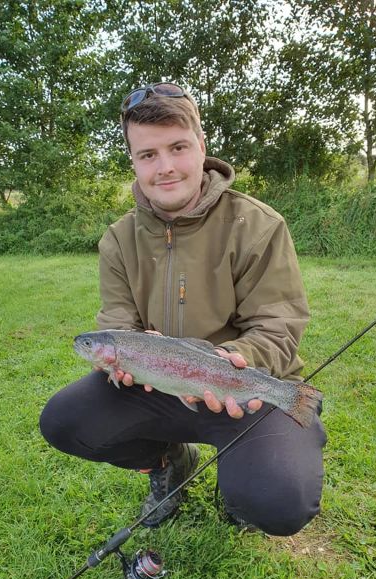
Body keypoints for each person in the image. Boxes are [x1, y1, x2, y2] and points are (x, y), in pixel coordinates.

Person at [40, 82, 326, 535]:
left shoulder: (258, 224)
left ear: (201, 146)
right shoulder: (118, 238)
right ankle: (170, 461)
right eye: (147, 154)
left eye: (178, 147)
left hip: (242, 383)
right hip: (158, 382)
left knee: (278, 499)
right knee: (64, 421)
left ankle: (244, 489)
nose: (165, 167)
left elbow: (278, 325)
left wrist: (233, 359)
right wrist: (123, 358)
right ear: (133, 161)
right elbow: (117, 321)